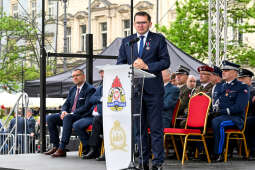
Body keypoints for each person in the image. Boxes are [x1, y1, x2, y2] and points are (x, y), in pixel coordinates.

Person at [117, 11, 170, 170]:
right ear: (134, 24)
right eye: (138, 23)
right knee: (139, 128)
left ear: (150, 23)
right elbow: (120, 63)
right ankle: (142, 160)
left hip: (153, 90)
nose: (140, 25)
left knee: (155, 128)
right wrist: (130, 67)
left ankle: (158, 162)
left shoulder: (158, 39)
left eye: (143, 22)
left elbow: (165, 61)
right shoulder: (128, 41)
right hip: (135, 90)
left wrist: (147, 67)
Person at [44, 69, 96, 157]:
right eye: (73, 76)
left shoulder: (90, 89)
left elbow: (86, 107)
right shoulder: (72, 89)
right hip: (71, 116)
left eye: (77, 75)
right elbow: (66, 103)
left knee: (68, 117)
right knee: (50, 118)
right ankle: (56, 146)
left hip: (82, 116)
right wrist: (64, 111)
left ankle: (62, 147)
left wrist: (71, 113)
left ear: (83, 76)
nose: (75, 77)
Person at [211, 60, 250, 162]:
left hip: (236, 118)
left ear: (235, 72)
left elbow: (239, 107)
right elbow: (217, 103)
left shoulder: (242, 87)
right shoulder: (222, 86)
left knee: (218, 122)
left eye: (226, 70)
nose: (223, 72)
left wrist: (222, 111)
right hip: (222, 115)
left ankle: (218, 153)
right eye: (223, 70)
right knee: (205, 120)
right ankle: (203, 151)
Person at [237, 68, 255, 160]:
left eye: (243, 78)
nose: (240, 80)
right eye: (239, 78)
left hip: (251, 116)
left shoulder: (253, 91)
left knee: (248, 123)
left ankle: (251, 151)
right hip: (239, 117)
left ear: (250, 79)